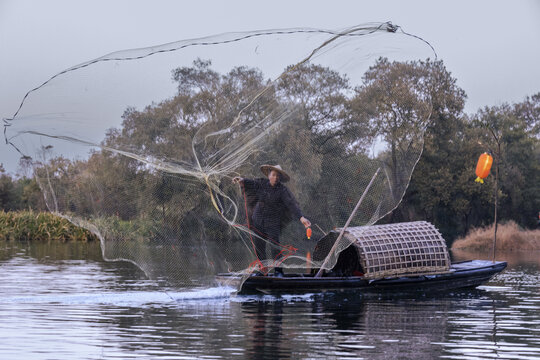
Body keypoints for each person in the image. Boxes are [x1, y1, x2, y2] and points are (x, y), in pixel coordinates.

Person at [233, 164, 311, 276]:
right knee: (259, 246)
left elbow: (291, 204)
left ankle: (278, 271)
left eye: (277, 176)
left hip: (273, 221)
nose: (275, 178)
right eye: (273, 175)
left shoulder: (282, 190)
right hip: (258, 219)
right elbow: (251, 183)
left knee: (275, 247)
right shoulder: (262, 183)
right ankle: (262, 271)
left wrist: (301, 217)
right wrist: (242, 180)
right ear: (269, 175)